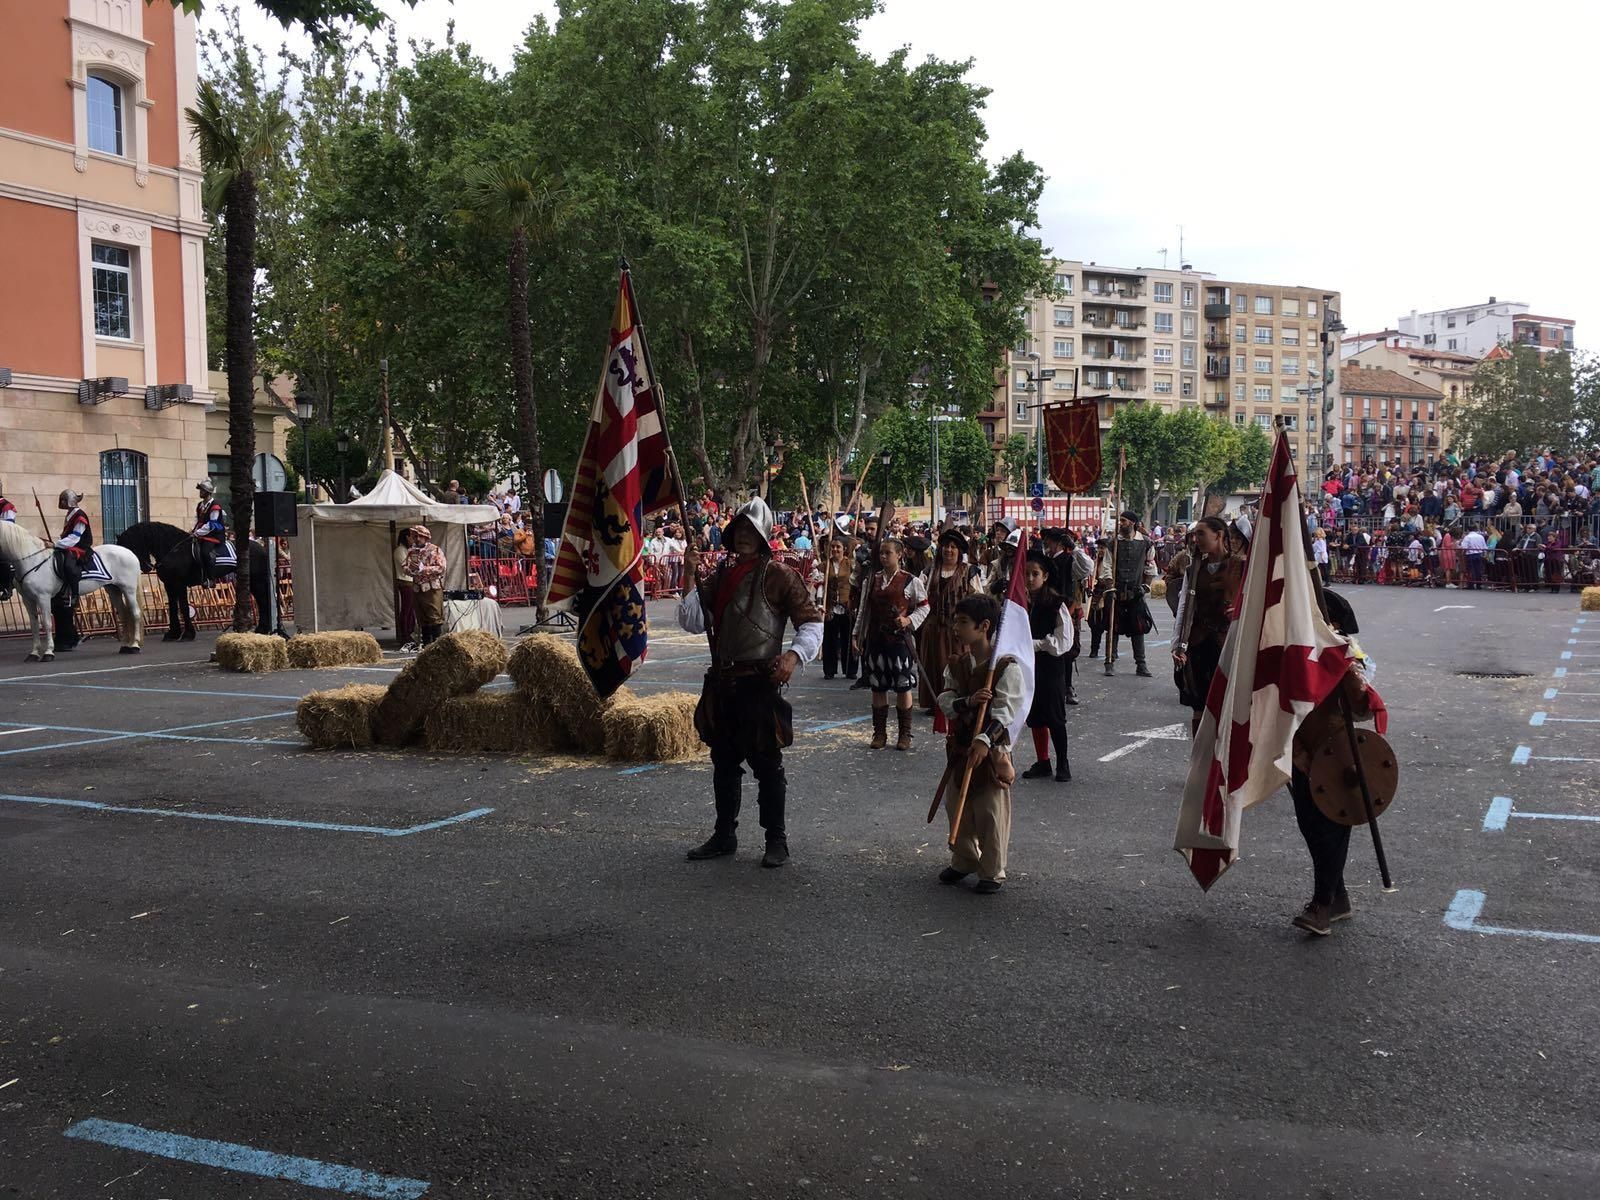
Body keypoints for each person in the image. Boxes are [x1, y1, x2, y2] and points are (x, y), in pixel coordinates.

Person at [677, 497, 823, 868]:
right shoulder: (721, 576)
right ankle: (724, 835)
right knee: (724, 762)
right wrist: (689, 575)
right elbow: (693, 621)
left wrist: (793, 656)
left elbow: (811, 622)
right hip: (723, 683)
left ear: (761, 536)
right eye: (739, 529)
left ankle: (776, 840)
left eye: (750, 530)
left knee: (767, 763)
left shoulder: (779, 575)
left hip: (758, 683)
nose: (743, 535)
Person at [1289, 589, 1378, 936]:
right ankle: (1337, 895)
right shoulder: (1293, 650)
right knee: (1310, 826)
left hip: (1334, 752)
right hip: (1299, 750)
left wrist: (1346, 668)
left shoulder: (1344, 656)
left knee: (1331, 828)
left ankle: (1322, 904)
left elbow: (1363, 707)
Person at [935, 593, 1025, 894]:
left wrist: (985, 741)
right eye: (955, 621)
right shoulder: (958, 664)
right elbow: (945, 699)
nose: (956, 628)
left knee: (990, 812)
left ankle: (992, 870)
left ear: (984, 626)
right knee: (956, 806)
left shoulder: (1005, 668)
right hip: (961, 748)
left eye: (963, 622)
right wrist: (967, 702)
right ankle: (964, 860)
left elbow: (1005, 712)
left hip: (990, 750)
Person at [1171, 516, 1246, 734]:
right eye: (1195, 535)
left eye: (1201, 534)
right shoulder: (1193, 570)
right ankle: (1201, 753)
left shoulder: (1241, 566)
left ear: (1219, 535)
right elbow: (1184, 607)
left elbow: (1255, 601)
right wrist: (1178, 644)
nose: (1196, 539)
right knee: (1199, 704)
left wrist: (1240, 610)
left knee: (1229, 705)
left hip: (1230, 643)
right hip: (1199, 644)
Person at [853, 537, 930, 751]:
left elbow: (924, 606)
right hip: (876, 640)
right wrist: (856, 634)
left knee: (903, 686)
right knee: (878, 685)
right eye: (881, 553)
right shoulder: (871, 580)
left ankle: (904, 734)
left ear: (899, 554)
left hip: (899, 641)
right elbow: (863, 610)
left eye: (888, 553)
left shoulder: (911, 581)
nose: (884, 556)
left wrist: (908, 620)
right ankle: (880, 733)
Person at [1020, 551, 1073, 782]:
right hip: (1028, 665)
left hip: (1050, 666)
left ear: (1045, 576)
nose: (1030, 579)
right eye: (1026, 574)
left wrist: (1037, 644)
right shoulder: (1019, 602)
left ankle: (1063, 763)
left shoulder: (1055, 603)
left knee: (1055, 716)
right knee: (1035, 714)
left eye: (1035, 574)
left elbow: (1063, 641)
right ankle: (1043, 761)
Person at [917, 528, 976, 721]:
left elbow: (978, 599)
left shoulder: (969, 572)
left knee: (957, 664)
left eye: (953, 547)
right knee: (933, 664)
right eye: (945, 546)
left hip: (958, 629)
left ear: (959, 551)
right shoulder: (929, 572)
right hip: (933, 627)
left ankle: (959, 702)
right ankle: (935, 702)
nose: (948, 550)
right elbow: (917, 597)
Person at [1094, 510, 1158, 677]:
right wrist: (1110, 587)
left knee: (1138, 628)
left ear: (1132, 523)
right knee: (1112, 628)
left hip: (1135, 593)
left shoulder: (1146, 543)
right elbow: (1106, 566)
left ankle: (1141, 665)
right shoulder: (1113, 543)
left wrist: (1145, 586)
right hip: (1116, 591)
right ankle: (1109, 662)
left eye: (1123, 521)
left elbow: (1150, 566)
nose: (1120, 523)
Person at [813, 535, 858, 680]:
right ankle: (829, 670)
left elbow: (856, 586)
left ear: (844, 548)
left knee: (848, 639)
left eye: (838, 547)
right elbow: (820, 587)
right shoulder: (824, 566)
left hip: (847, 607)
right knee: (829, 640)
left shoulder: (851, 564)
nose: (835, 549)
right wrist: (820, 604)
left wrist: (855, 603)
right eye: (832, 547)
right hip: (830, 608)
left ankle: (850, 670)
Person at [405, 524, 447, 645]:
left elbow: (441, 567)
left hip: (431, 588)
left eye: (420, 536)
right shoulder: (411, 551)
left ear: (425, 537)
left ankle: (436, 643)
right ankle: (426, 644)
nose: (417, 539)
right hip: (417, 588)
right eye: (415, 536)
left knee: (434, 616)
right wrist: (410, 570)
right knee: (422, 617)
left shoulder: (435, 550)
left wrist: (423, 569)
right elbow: (405, 566)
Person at [191, 479, 227, 576]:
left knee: (205, 552)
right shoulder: (200, 505)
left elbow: (212, 524)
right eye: (200, 490)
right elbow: (197, 520)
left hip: (213, 536)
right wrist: (193, 530)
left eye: (202, 490)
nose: (200, 492)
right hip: (202, 534)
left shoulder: (215, 505)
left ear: (208, 492)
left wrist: (197, 532)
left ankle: (210, 577)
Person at [394, 528, 418, 650]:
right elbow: (407, 566)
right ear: (406, 537)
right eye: (411, 537)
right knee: (406, 609)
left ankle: (409, 632)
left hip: (409, 582)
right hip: (405, 582)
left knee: (410, 610)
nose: (413, 540)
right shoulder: (400, 550)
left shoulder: (406, 550)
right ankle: (405, 634)